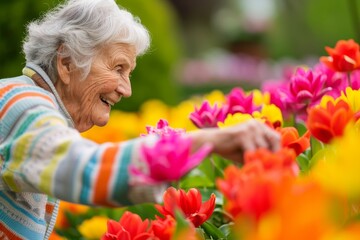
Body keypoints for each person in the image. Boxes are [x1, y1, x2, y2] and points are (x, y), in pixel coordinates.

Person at [0, 0, 280, 239]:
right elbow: (83, 169)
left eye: (129, 73)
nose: (127, 89)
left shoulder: (23, 99)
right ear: (66, 62)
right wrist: (206, 140)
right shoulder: (22, 107)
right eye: (118, 68)